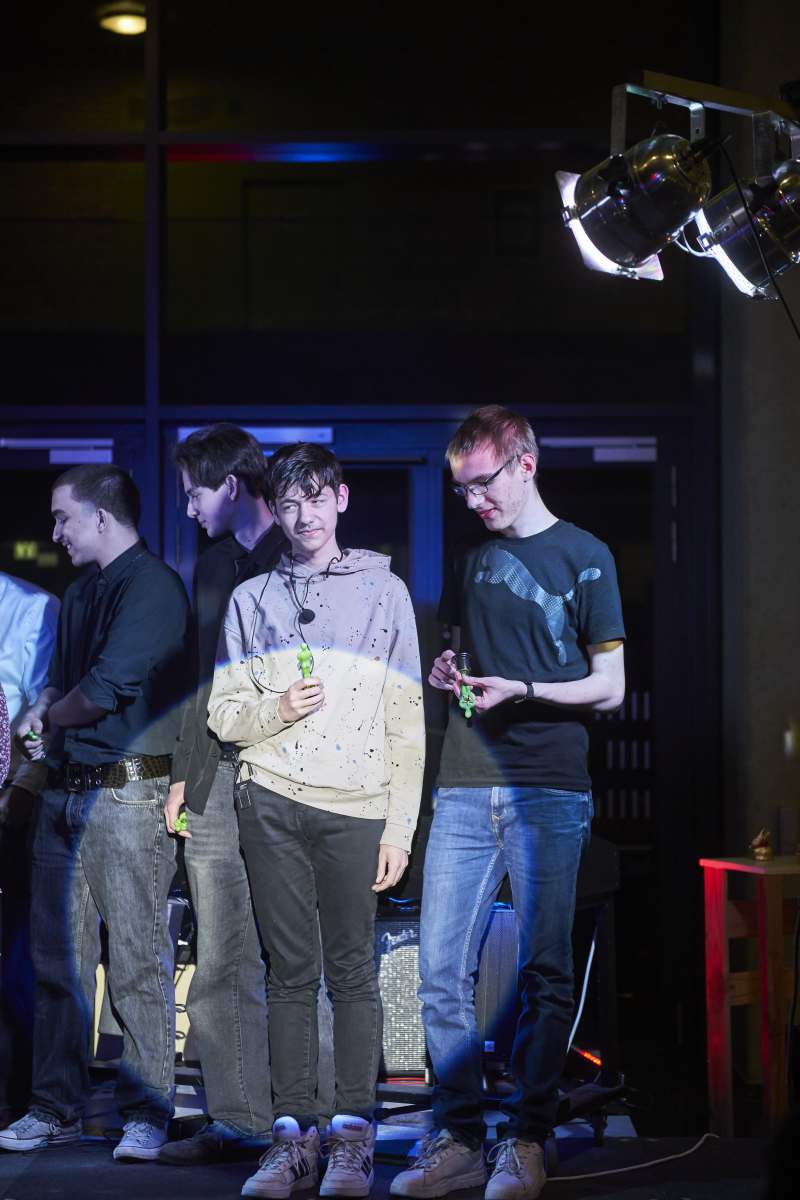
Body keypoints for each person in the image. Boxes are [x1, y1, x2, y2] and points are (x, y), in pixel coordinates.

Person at [391, 406, 625, 1200]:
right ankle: (458, 1137)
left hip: (547, 785)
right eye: (461, 490)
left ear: (525, 461)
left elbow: (610, 687)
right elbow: (464, 658)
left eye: (483, 483)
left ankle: (526, 1137)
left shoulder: (586, 556)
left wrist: (523, 687)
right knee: (437, 970)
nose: (474, 501)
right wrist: (449, 671)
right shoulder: (473, 559)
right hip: (464, 781)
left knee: (543, 969)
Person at [208, 443, 425, 1199]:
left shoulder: (385, 592)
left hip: (357, 805)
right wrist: (275, 709)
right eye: (288, 502)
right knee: (289, 975)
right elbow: (222, 713)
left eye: (316, 497)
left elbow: (407, 718)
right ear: (275, 508)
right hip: (269, 798)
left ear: (341, 498)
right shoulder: (251, 598)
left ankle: (352, 1141)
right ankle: (292, 1140)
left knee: (354, 973)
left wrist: (399, 827)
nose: (303, 515)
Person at [0, 464, 189, 1161]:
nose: (54, 532)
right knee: (59, 962)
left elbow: (107, 687)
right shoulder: (80, 592)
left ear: (102, 517)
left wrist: (49, 716)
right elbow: (64, 684)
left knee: (136, 960)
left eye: (63, 518)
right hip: (65, 787)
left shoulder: (154, 587)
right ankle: (55, 1107)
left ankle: (147, 1112)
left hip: (128, 790)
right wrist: (44, 707)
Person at [160, 424, 285, 1164]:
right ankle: (238, 1119)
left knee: (295, 957)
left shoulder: (299, 556)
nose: (189, 508)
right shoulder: (212, 567)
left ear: (231, 485)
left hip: (286, 779)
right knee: (220, 954)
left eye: (194, 493)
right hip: (213, 775)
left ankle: (308, 1122)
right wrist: (183, 773)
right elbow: (201, 680)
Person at [0, 572, 60, 1121]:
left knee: (16, 955)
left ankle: (16, 1096)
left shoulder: (33, 608)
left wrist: (23, 787)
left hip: (10, 800)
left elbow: (43, 708)